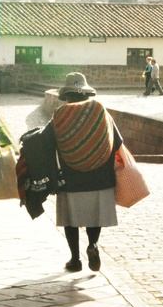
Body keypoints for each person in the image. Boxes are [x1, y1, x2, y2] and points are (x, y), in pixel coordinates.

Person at [50, 72, 121, 273]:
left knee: (70, 220)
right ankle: (93, 245)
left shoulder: (61, 115)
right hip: (100, 178)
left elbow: (48, 143)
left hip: (71, 178)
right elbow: (117, 142)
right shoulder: (101, 111)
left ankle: (75, 259)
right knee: (94, 217)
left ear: (67, 95)